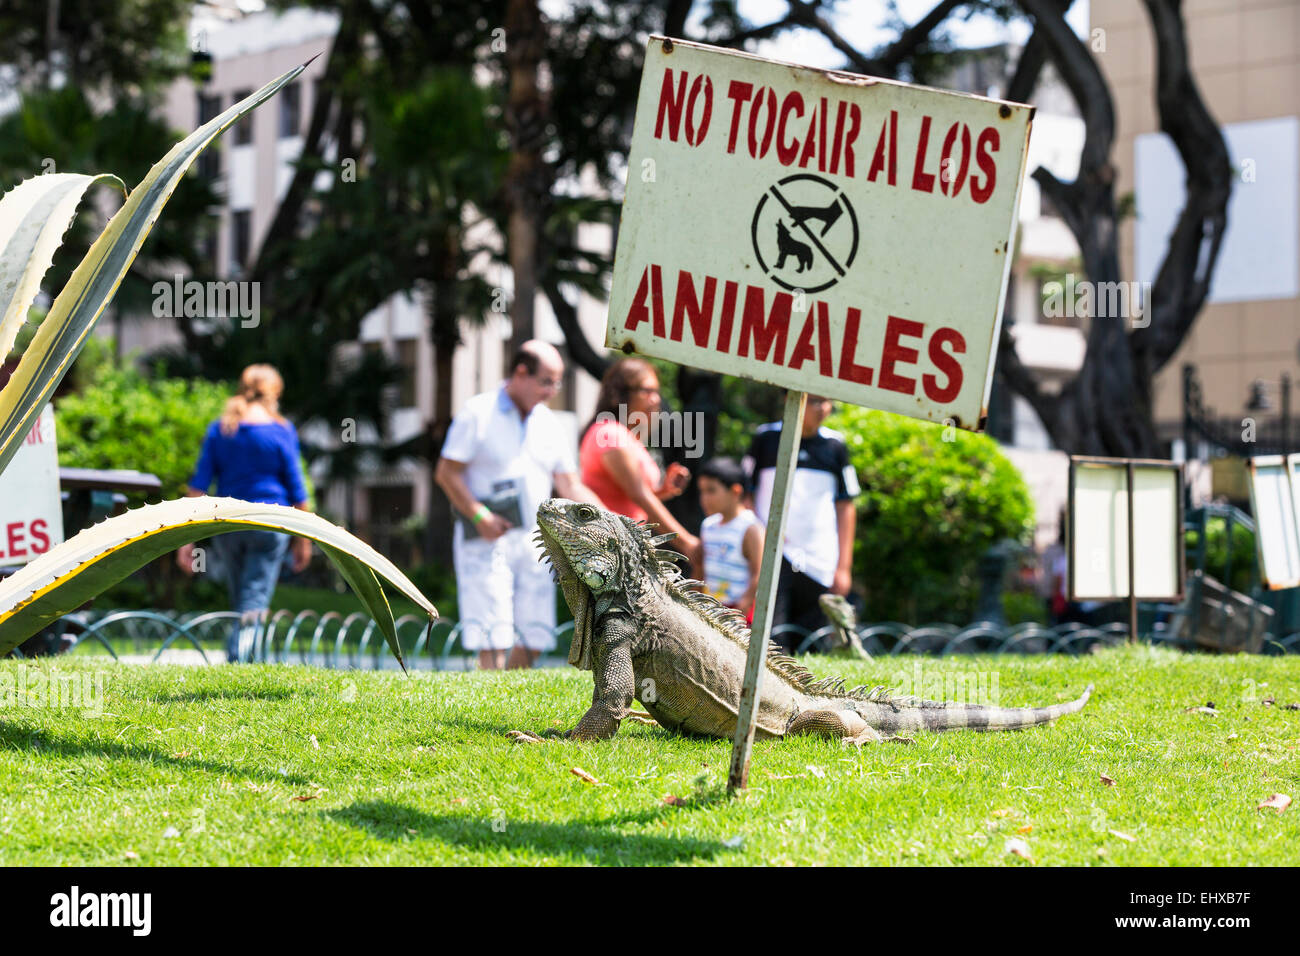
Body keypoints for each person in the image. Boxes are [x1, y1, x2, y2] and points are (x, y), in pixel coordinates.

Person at [434, 341, 603, 670]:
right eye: (546, 381)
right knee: (491, 632)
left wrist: (610, 520)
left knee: (535, 632)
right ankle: (488, 702)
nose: (552, 390)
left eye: (558, 382)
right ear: (520, 373)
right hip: (485, 537)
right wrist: (478, 514)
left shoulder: (549, 423)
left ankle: (510, 697)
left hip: (534, 541)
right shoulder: (478, 413)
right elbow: (446, 473)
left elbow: (569, 484)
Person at [178, 364, 313, 662]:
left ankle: (240, 656)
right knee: (254, 597)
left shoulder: (222, 428)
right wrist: (305, 540)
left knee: (240, 594)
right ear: (274, 393)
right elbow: (297, 488)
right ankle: (241, 659)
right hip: (268, 524)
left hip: (228, 524)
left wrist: (185, 540)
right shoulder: (280, 430)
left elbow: (198, 485)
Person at [745, 394, 859, 651]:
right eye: (815, 400)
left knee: (814, 642)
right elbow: (746, 495)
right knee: (772, 641)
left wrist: (844, 567)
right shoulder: (765, 438)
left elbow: (846, 506)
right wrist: (756, 542)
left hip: (819, 561)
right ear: (791, 399)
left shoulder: (835, 446)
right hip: (772, 556)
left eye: (828, 401)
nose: (823, 408)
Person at [578, 357, 699, 562]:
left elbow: (630, 501)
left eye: (657, 392)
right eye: (647, 391)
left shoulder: (626, 436)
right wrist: (687, 543)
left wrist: (662, 491)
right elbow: (639, 495)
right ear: (620, 393)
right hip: (603, 555)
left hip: (621, 552)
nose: (656, 399)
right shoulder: (610, 434)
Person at [694, 457, 763, 623]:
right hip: (709, 609)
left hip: (737, 615)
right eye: (702, 491)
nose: (704, 498)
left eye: (711, 491)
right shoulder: (708, 526)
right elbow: (701, 568)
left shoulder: (750, 528)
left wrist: (740, 612)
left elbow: (758, 576)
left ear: (735, 492)